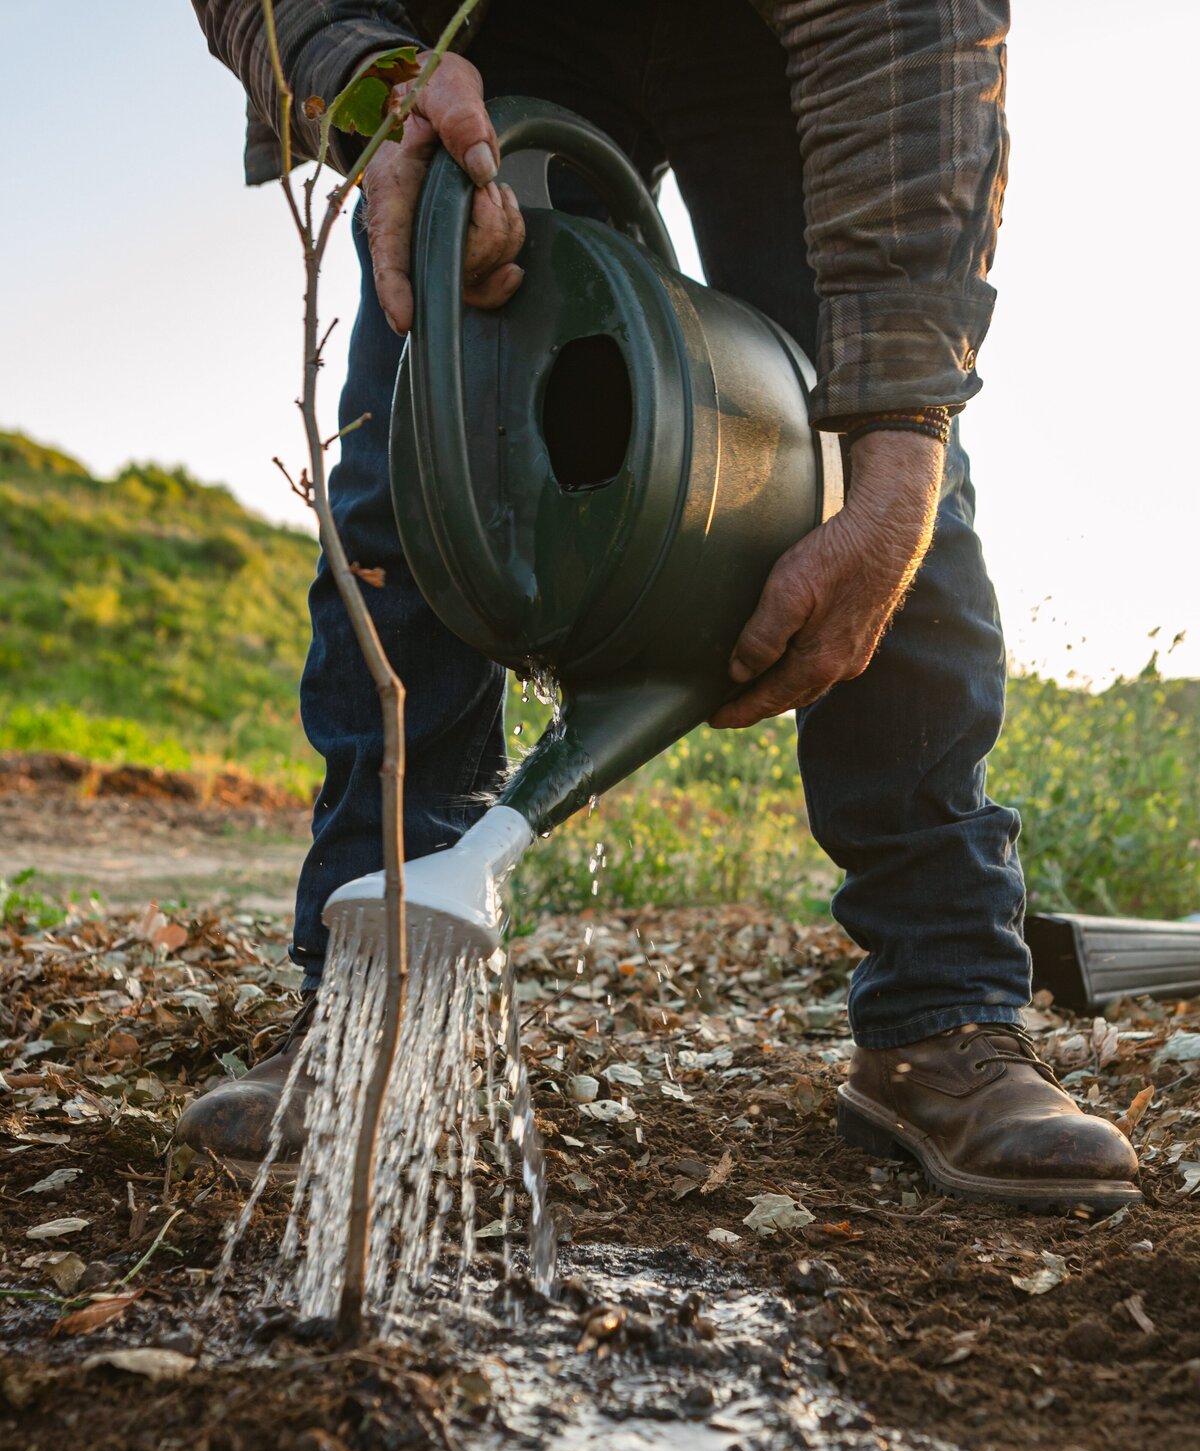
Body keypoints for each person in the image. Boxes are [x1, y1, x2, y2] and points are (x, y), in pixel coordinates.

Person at [181, 0, 1140, 1216]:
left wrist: (902, 440)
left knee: (879, 450)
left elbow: (910, 31)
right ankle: (375, 1005)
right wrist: (367, 81)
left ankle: (942, 1017)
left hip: (794, 36)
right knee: (419, 452)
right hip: (482, 23)